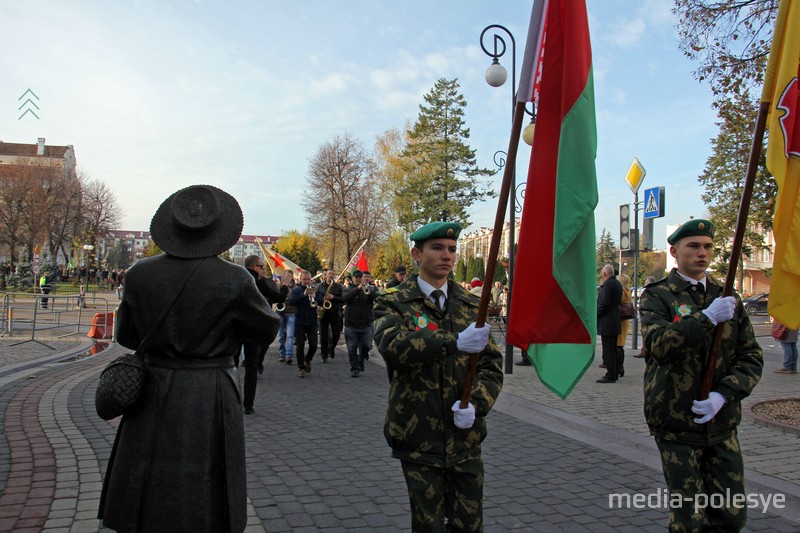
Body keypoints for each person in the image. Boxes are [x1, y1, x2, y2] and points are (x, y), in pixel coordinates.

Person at [98, 184, 280, 532]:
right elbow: (265, 331)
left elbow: (125, 335)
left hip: (152, 383)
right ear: (218, 231)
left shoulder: (140, 273)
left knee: (146, 470)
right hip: (210, 388)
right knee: (209, 480)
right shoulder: (236, 279)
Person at [374, 221, 503, 532]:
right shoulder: (392, 301)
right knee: (428, 525)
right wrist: (453, 342)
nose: (447, 255)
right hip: (419, 437)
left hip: (465, 438)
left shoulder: (473, 306)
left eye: (452, 249)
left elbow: (491, 366)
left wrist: (476, 404)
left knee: (469, 525)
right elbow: (393, 346)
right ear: (416, 254)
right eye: (437, 248)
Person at [640, 219, 762, 532]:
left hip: (721, 422)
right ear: (674, 251)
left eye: (707, 246)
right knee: (688, 519)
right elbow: (657, 345)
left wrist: (725, 394)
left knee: (730, 516)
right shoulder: (658, 296)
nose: (702, 253)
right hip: (677, 422)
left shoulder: (727, 296)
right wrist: (705, 318)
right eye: (693, 246)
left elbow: (750, 356)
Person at [241, 255, 292, 415]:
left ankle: (231, 398)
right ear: (255, 267)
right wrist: (284, 285)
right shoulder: (257, 281)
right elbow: (279, 298)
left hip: (234, 325)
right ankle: (248, 404)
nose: (264, 269)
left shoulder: (239, 278)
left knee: (232, 363)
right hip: (252, 326)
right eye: (262, 266)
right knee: (251, 366)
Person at [342, 269, 377, 377]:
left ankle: (361, 360)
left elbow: (376, 299)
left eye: (359, 277)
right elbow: (345, 299)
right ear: (352, 279)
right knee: (352, 348)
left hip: (365, 323)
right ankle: (354, 368)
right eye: (356, 277)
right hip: (351, 324)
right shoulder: (348, 289)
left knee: (366, 346)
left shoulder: (368, 288)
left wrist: (369, 291)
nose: (358, 279)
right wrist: (357, 289)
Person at [289, 271, 322, 377]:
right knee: (300, 346)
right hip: (300, 321)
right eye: (304, 279)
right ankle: (301, 368)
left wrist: (315, 296)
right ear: (300, 279)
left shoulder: (315, 289)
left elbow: (321, 301)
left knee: (313, 345)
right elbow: (292, 302)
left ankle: (307, 360)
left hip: (312, 321)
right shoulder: (296, 290)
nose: (307, 281)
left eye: (308, 279)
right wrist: (304, 295)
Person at [596, 264, 623, 383]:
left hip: (607, 321)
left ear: (604, 274)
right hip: (614, 319)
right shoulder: (617, 283)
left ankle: (610, 374)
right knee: (613, 349)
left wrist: (595, 314)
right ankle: (615, 372)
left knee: (608, 350)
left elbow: (604, 303)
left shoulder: (607, 285)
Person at [316, 268, 344, 362]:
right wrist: (319, 306)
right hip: (323, 313)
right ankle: (324, 355)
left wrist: (333, 297)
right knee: (323, 335)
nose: (331, 275)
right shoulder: (319, 286)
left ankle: (331, 347)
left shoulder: (338, 287)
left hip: (335, 312)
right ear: (326, 275)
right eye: (329, 273)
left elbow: (342, 299)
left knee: (336, 334)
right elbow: (316, 298)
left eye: (333, 274)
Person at [276, 277, 297, 365]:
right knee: (281, 336)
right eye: (286, 277)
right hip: (280, 313)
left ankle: (289, 355)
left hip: (291, 313)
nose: (287, 280)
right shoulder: (278, 287)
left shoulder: (295, 289)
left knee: (290, 335)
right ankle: (282, 354)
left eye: (289, 277)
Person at [616, 273, 632, 377]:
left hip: (620, 319)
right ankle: (620, 366)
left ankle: (619, 367)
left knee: (618, 345)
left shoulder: (622, 292)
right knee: (621, 345)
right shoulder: (628, 291)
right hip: (625, 320)